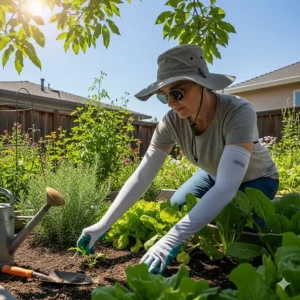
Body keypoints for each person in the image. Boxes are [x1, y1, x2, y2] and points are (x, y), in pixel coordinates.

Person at [77, 44, 279, 275]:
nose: (172, 102)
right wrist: (104, 223)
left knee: (233, 221)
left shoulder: (238, 111)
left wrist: (171, 240)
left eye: (177, 92)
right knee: (176, 207)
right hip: (213, 174)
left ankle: (274, 209)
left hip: (257, 177)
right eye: (164, 96)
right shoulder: (171, 123)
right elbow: (142, 176)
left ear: (201, 84)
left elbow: (226, 187)